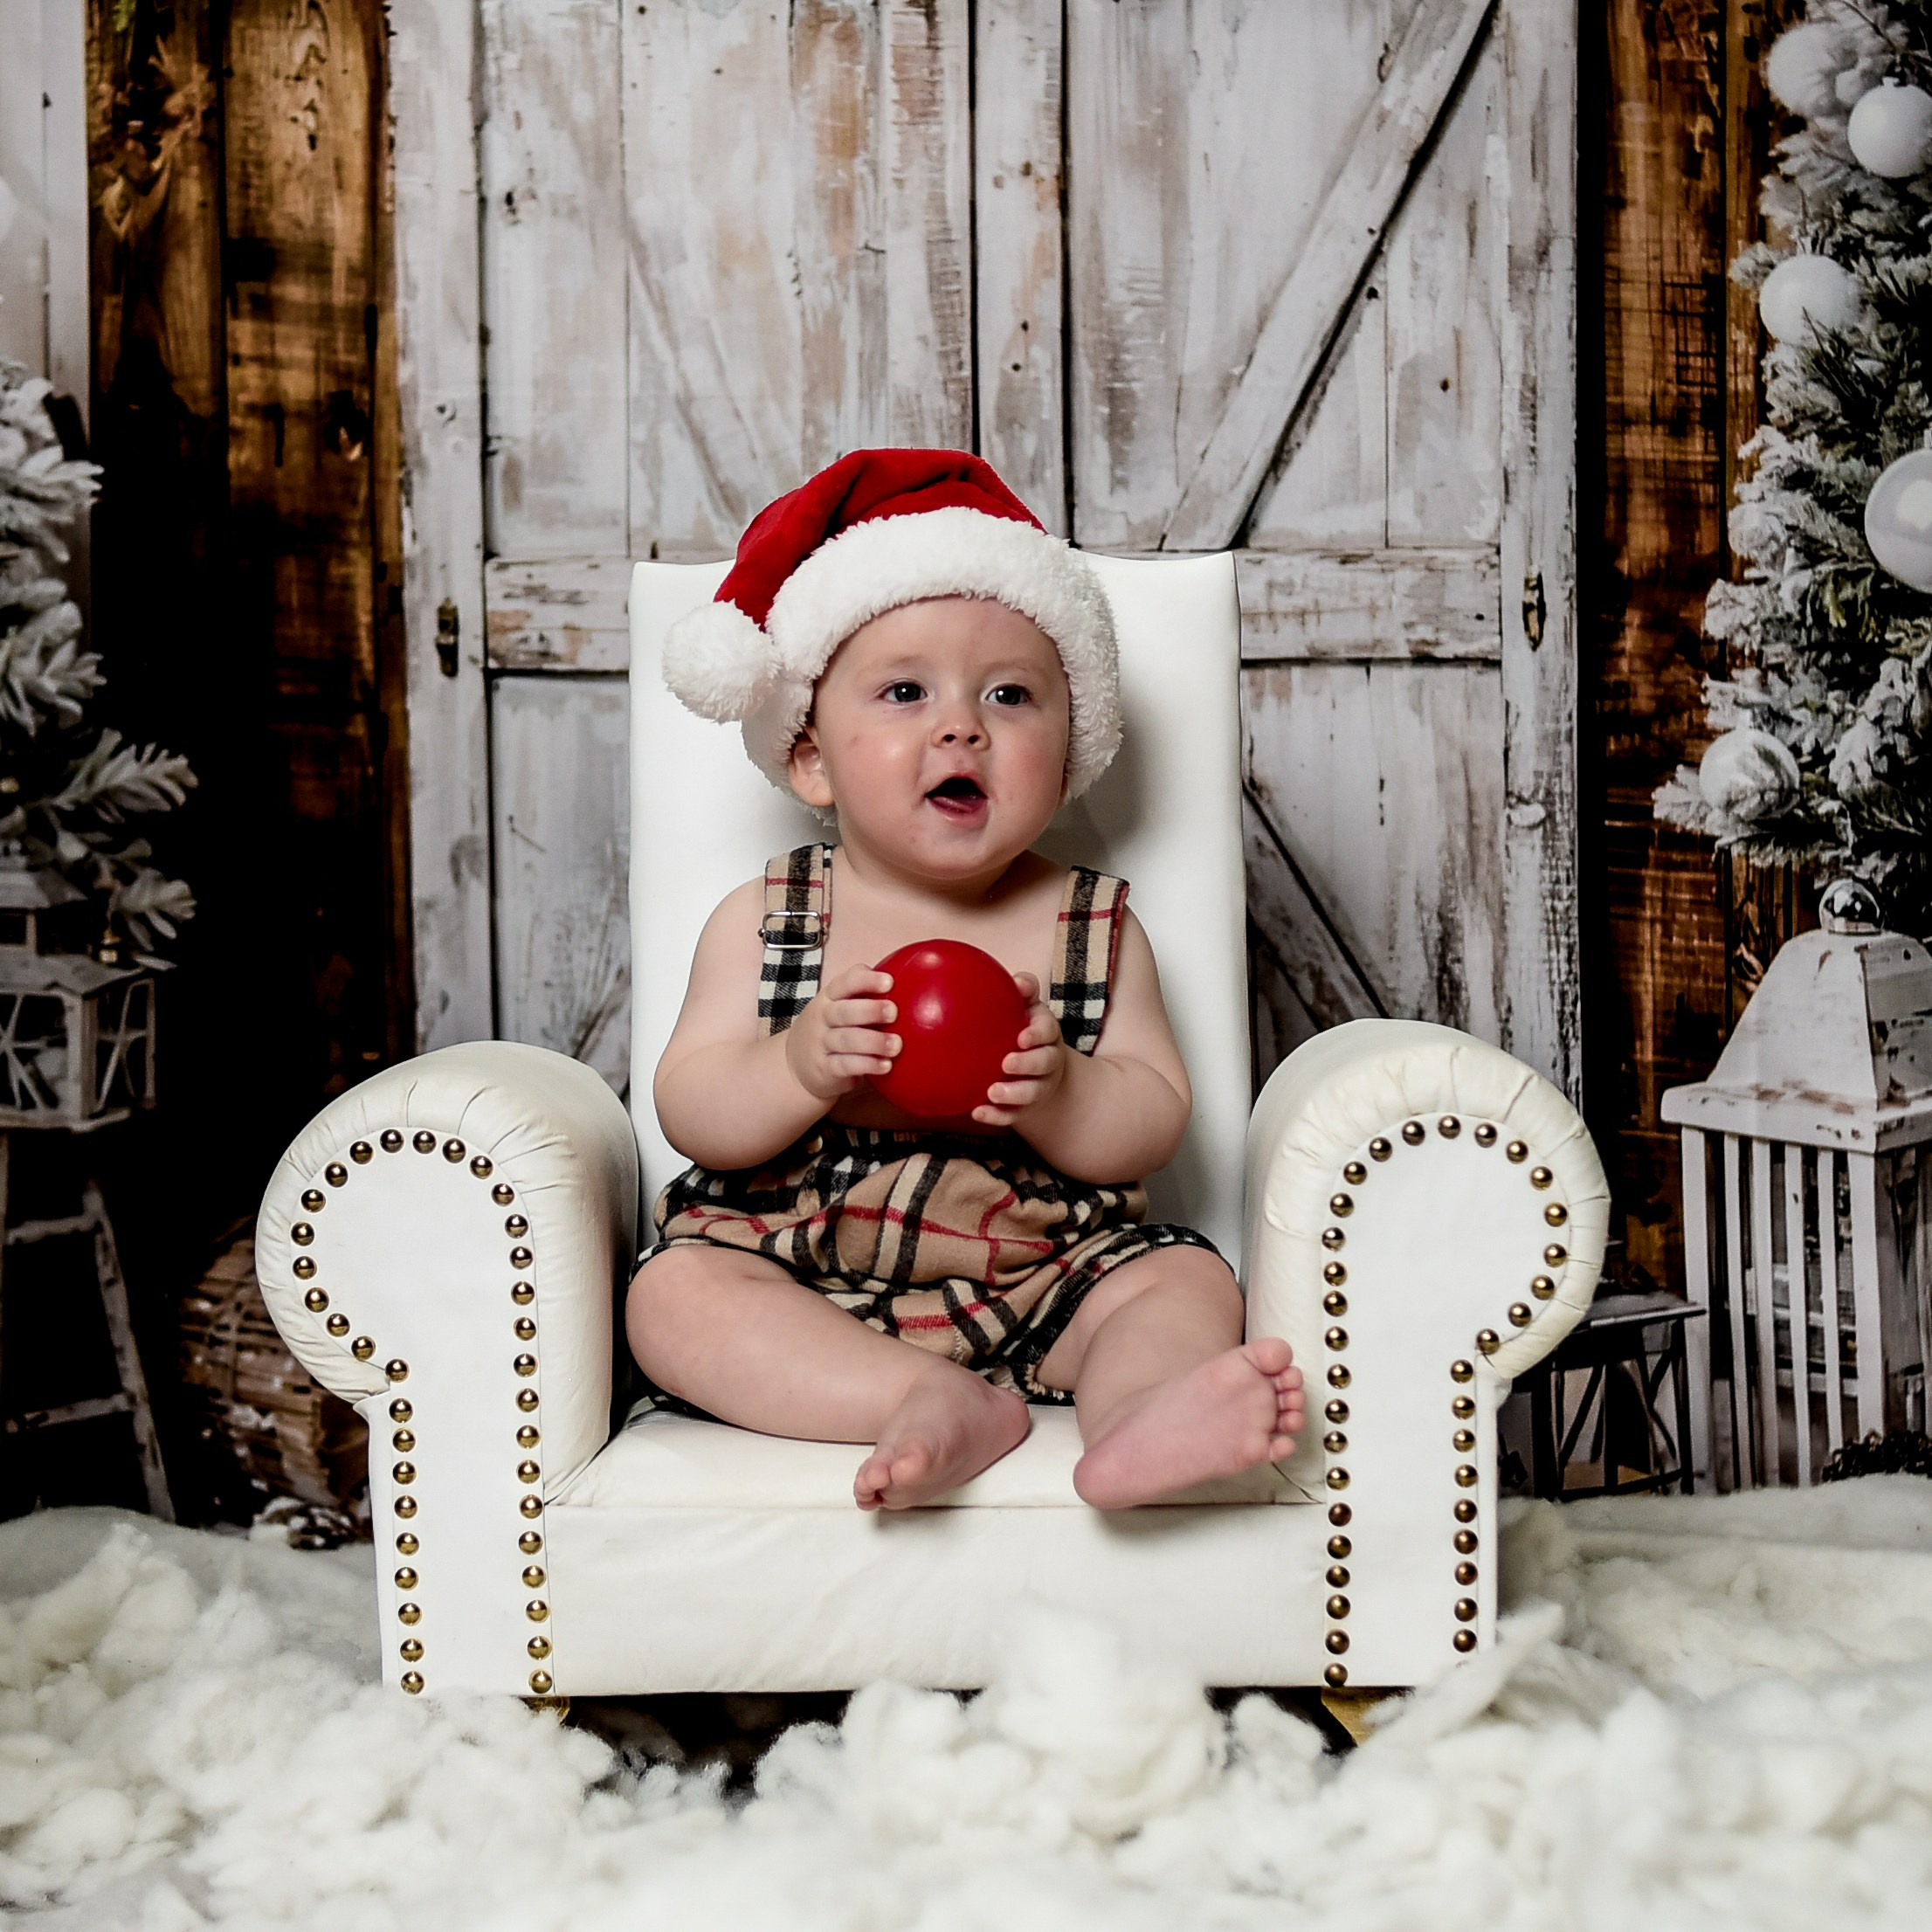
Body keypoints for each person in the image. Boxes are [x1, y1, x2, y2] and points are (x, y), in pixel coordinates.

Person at [628, 448, 1303, 1512]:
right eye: (905, 691)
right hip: (806, 1267)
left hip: (1040, 1271)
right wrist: (798, 1065)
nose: (962, 726)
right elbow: (693, 1108)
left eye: (1010, 694)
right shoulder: (770, 917)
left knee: (1182, 1278)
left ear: (1072, 750)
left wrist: (1063, 1089)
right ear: (811, 757)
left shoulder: (1090, 925)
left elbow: (1154, 1120)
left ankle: (1137, 1417)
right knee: (671, 1295)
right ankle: (918, 1396)